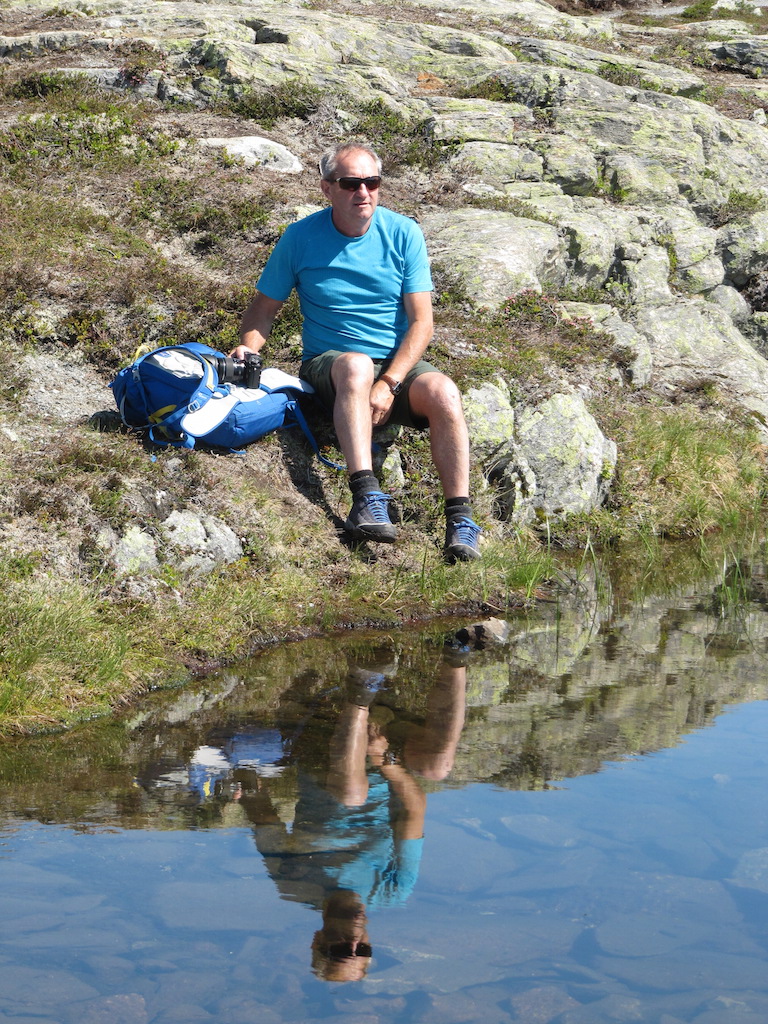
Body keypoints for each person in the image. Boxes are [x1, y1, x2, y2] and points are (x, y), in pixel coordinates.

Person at [231, 141, 481, 562]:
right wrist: (247, 347)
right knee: (356, 365)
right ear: (327, 188)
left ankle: (460, 520)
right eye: (350, 184)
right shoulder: (299, 238)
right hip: (331, 366)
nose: (363, 192)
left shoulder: (404, 233)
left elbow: (422, 323)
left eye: (372, 182)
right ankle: (365, 495)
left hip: (393, 366)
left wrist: (390, 382)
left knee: (444, 392)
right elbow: (263, 309)